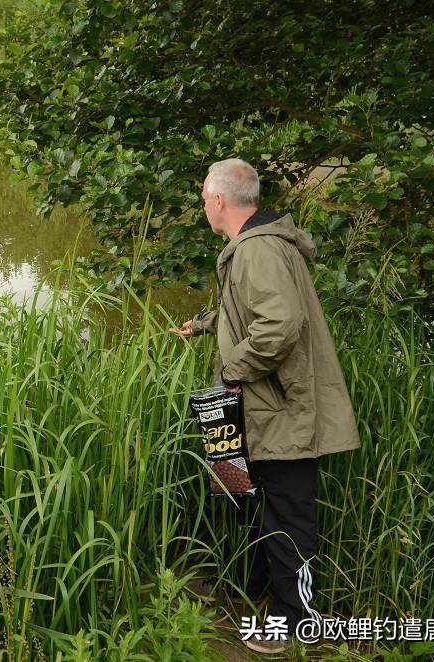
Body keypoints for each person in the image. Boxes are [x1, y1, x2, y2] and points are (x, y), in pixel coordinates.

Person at [169, 158, 361, 654]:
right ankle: (253, 591)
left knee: (287, 515)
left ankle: (297, 621)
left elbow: (278, 325)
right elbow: (253, 309)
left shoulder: (258, 251)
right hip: (254, 410)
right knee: (248, 499)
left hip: (280, 410)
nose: (203, 207)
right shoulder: (254, 245)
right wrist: (209, 323)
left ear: (219, 200)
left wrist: (232, 373)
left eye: (204, 199)